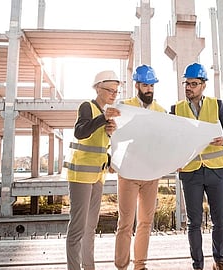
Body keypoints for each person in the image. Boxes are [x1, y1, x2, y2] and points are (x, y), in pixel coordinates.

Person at [170, 63, 223, 270]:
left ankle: (219, 261)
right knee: (194, 223)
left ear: (203, 85)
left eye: (193, 83)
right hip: (191, 173)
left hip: (216, 171)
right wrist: (174, 160)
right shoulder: (176, 109)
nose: (188, 87)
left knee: (219, 220)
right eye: (186, 83)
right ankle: (197, 265)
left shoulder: (216, 105)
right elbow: (170, 140)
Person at [64, 70, 121, 270]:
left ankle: (89, 267)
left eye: (116, 91)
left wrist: (109, 159)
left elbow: (99, 147)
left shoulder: (106, 114)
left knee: (90, 227)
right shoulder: (87, 106)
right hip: (80, 175)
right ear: (98, 88)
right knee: (78, 228)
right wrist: (102, 119)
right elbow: (80, 132)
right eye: (110, 90)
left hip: (98, 176)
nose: (114, 94)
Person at [114, 64, 166, 270]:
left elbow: (166, 141)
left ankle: (140, 265)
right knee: (125, 222)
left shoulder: (160, 111)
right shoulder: (124, 107)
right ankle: (121, 265)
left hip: (151, 174)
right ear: (137, 85)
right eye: (146, 85)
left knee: (145, 222)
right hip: (128, 173)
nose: (150, 89)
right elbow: (114, 136)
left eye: (152, 85)